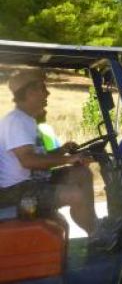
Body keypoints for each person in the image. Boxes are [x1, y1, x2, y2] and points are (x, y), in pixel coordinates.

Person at [0, 69, 98, 233]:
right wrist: (68, 160)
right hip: (16, 191)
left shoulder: (27, 119)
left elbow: (38, 157)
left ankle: (93, 223)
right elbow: (28, 161)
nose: (48, 93)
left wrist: (62, 150)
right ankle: (95, 234)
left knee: (82, 173)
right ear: (30, 93)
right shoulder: (16, 121)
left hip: (32, 182)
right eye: (43, 88)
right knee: (75, 195)